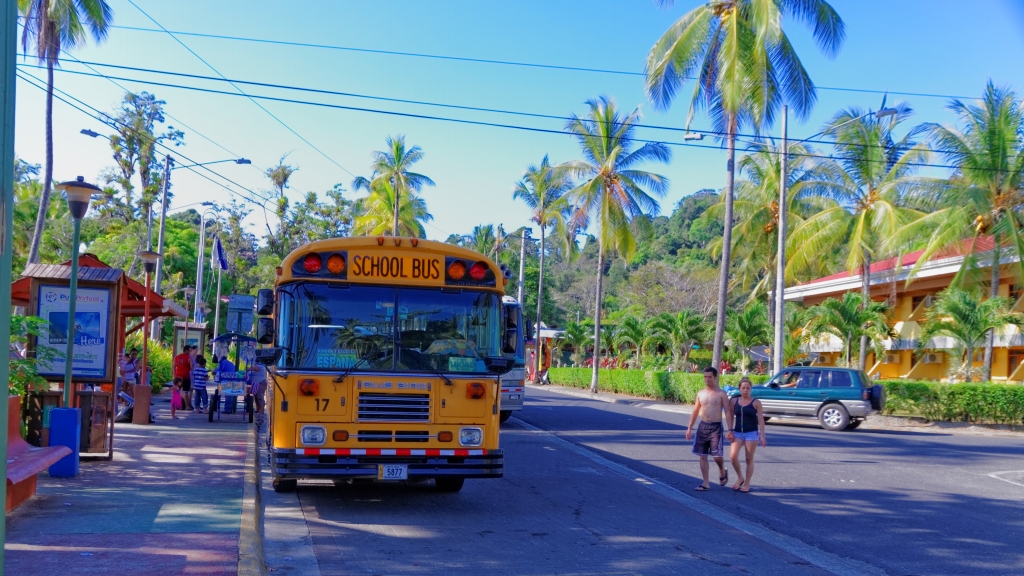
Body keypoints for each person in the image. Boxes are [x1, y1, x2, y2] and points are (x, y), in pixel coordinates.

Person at [685, 366, 735, 491]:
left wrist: (730, 429)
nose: (707, 379)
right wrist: (689, 428)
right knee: (702, 455)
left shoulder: (721, 394)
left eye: (709, 377)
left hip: (716, 427)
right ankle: (705, 483)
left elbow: (728, 412)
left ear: (715, 378)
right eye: (705, 377)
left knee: (717, 455)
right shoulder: (700, 393)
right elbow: (696, 411)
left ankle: (722, 470)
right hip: (703, 426)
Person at [730, 377, 767, 492]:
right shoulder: (734, 401)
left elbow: (760, 419)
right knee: (733, 457)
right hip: (737, 433)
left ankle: (747, 483)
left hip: (751, 433)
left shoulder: (756, 402)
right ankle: (740, 477)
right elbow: (730, 416)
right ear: (739, 389)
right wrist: (730, 430)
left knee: (748, 459)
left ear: (751, 389)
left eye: (748, 388)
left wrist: (762, 435)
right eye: (743, 388)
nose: (745, 390)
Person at [173, 345, 193, 409]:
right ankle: (187, 406)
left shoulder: (177, 357)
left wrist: (174, 375)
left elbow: (173, 366)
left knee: (177, 391)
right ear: (186, 350)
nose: (190, 352)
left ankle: (176, 405)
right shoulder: (188, 357)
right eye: (189, 350)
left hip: (178, 376)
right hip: (186, 377)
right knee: (186, 391)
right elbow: (191, 367)